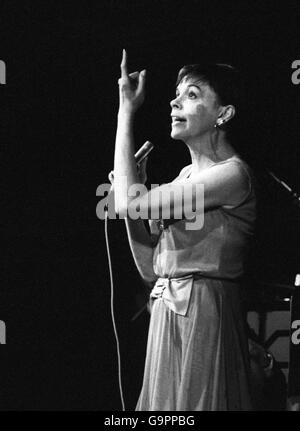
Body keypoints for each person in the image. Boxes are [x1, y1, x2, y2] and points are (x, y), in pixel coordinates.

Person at [112, 49, 256, 410]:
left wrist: (125, 111)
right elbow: (150, 269)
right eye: (178, 93)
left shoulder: (231, 175)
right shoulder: (183, 179)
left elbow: (130, 201)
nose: (175, 101)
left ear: (223, 114)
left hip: (205, 313)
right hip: (166, 311)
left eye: (192, 95)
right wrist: (132, 204)